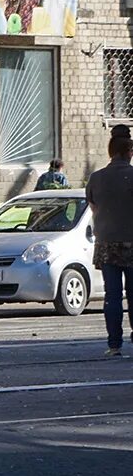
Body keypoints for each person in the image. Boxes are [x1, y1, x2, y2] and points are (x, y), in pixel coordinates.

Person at [89, 126, 133, 357]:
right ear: (130, 152)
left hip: (106, 244)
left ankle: (114, 343)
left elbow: (94, 207)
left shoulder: (96, 178)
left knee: (112, 295)